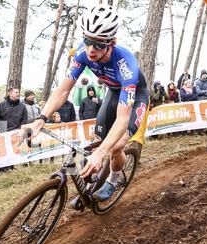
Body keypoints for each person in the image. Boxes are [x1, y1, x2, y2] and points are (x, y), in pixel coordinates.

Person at [20, 4, 149, 202]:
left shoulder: (126, 65)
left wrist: (101, 152)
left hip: (135, 98)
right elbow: (63, 90)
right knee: (96, 138)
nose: (91, 49)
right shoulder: (82, 52)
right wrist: (41, 119)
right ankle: (89, 184)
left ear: (111, 42)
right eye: (87, 40)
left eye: (98, 44)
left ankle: (113, 181)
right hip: (113, 93)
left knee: (114, 148)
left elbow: (123, 118)